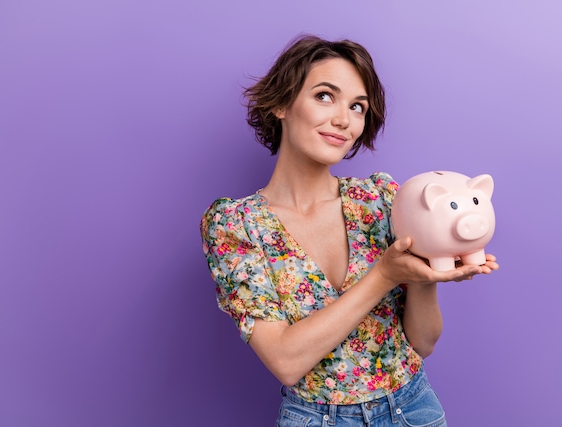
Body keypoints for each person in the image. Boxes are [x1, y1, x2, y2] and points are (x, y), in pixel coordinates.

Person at [200, 34, 498, 427]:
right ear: (281, 104)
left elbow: (422, 343)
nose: (345, 119)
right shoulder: (236, 226)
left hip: (414, 408)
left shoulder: (380, 200)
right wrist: (385, 275)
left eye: (357, 107)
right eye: (325, 96)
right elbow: (286, 362)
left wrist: (427, 276)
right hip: (315, 418)